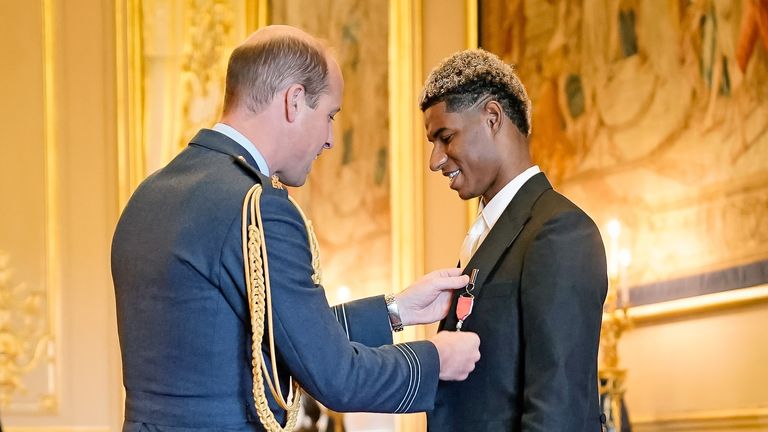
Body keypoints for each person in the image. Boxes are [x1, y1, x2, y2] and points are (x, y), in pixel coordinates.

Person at [112, 25, 481, 432]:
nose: (330, 140)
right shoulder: (256, 208)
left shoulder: (149, 196)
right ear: (294, 100)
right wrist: (436, 359)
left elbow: (275, 337)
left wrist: (397, 310)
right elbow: (336, 376)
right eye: (330, 115)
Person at [420, 49, 608, 431]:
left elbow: (556, 414)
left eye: (445, 137)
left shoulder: (559, 231)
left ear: (492, 118)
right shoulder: (487, 232)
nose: (435, 160)